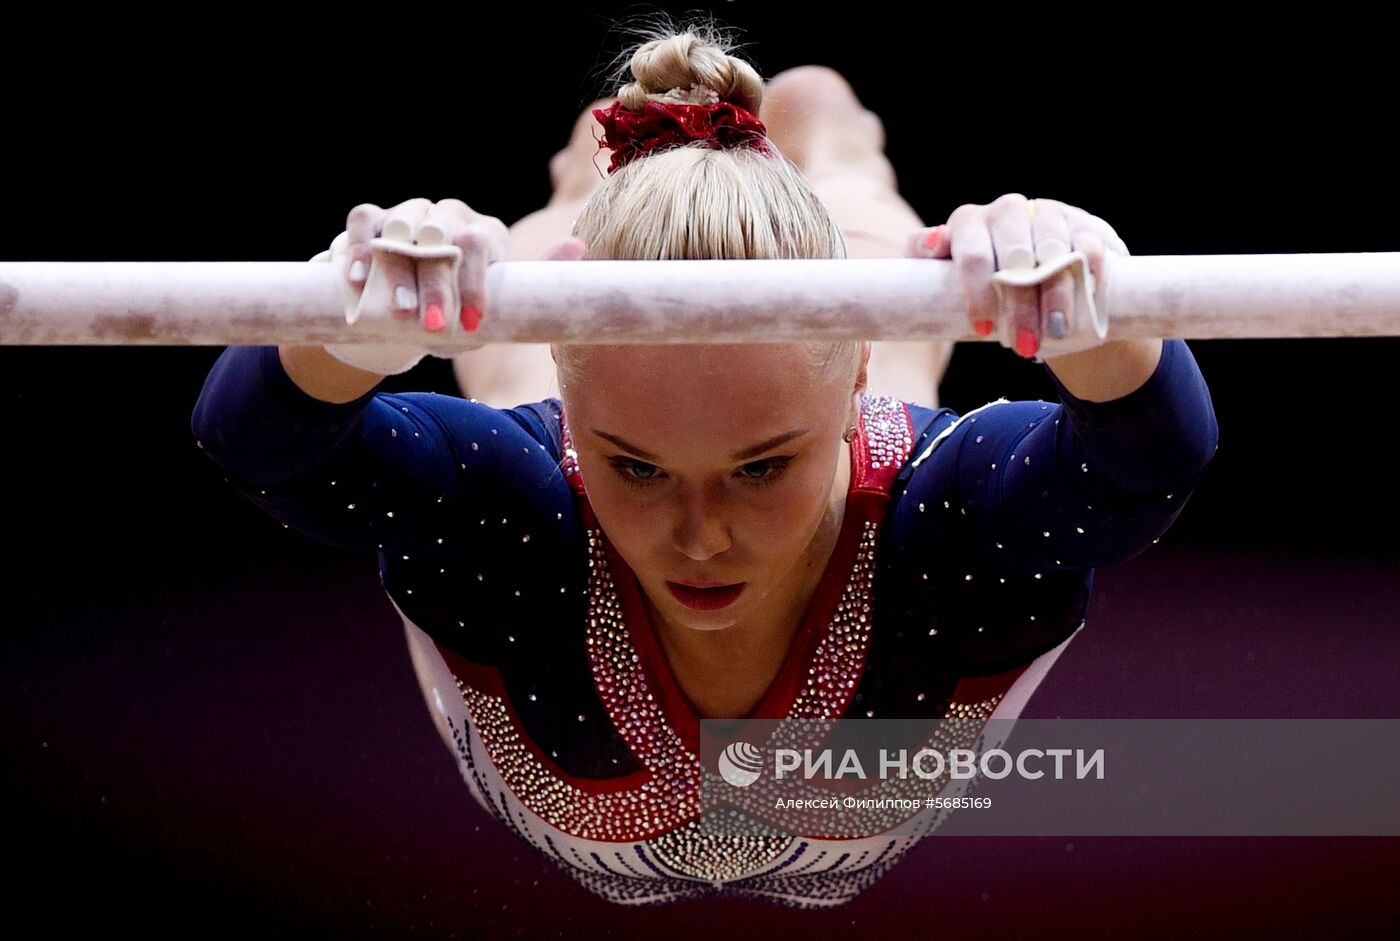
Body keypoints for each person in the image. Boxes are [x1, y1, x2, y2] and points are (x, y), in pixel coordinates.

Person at [190, 23, 1218, 909]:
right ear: (573, 402)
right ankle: (607, 184)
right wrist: (364, 321)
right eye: (636, 469)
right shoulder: (520, 500)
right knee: (524, 292)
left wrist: (1080, 291)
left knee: (837, 193)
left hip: (821, 402)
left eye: (760, 470)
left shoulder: (929, 511)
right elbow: (259, 443)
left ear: (850, 371)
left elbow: (1142, 466)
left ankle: (766, 141)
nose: (700, 533)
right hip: (589, 391)